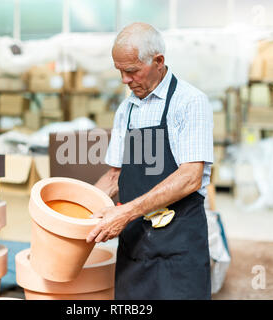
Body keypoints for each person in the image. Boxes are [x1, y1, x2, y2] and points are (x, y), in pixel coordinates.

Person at [85, 22, 213, 300]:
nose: (124, 80)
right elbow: (115, 176)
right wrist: (78, 214)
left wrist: (125, 212)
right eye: (119, 71)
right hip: (135, 247)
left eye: (131, 71)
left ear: (158, 61)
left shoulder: (189, 102)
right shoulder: (126, 110)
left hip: (180, 245)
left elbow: (190, 176)